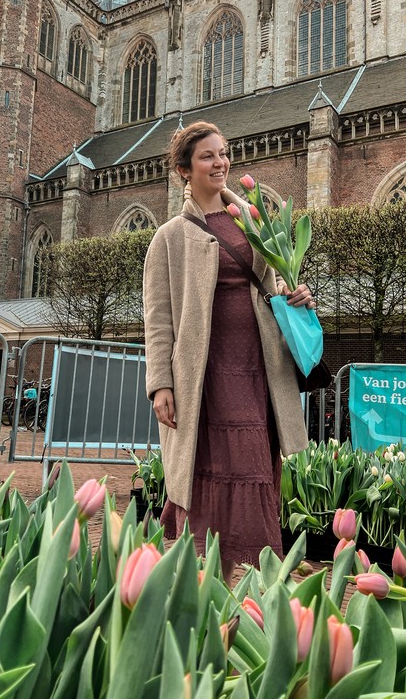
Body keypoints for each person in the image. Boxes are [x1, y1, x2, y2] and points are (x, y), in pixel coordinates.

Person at [143, 121, 313, 584]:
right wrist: (160, 382)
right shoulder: (169, 238)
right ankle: (209, 585)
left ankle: (260, 590)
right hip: (204, 373)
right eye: (208, 156)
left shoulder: (254, 221)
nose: (221, 163)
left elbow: (273, 285)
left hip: (258, 365)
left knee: (257, 464)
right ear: (184, 170)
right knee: (210, 466)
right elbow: (158, 320)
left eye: (224, 153)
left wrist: (296, 293)